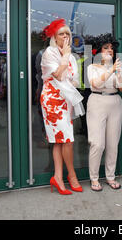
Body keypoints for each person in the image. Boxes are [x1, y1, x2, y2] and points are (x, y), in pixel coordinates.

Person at [39, 18, 85, 195]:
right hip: (52, 101)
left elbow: (74, 79)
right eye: (61, 33)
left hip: (66, 101)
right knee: (67, 140)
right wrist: (65, 56)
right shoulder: (49, 53)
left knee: (59, 141)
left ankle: (58, 178)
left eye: (68, 33)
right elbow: (58, 75)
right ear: (54, 37)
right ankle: (72, 176)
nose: (65, 36)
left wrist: (68, 60)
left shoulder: (72, 57)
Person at [85, 33, 122, 192]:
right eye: (106, 48)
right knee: (97, 143)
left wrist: (120, 74)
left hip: (115, 102)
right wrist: (112, 70)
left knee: (113, 143)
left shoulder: (115, 68)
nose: (110, 51)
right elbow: (96, 83)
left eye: (111, 48)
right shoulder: (91, 66)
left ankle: (110, 176)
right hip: (97, 102)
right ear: (98, 51)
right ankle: (94, 178)